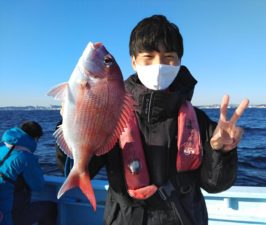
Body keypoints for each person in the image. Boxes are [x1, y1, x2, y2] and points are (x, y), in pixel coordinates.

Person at [56, 15, 249, 225]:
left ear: (179, 61)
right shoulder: (112, 114)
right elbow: (85, 169)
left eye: (169, 57)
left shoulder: (199, 120)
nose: (159, 65)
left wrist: (221, 152)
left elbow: (215, 185)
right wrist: (70, 120)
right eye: (148, 57)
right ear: (133, 61)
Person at [0, 121, 57, 225]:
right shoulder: (26, 157)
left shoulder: (1, 148)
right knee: (50, 208)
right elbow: (38, 186)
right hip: (9, 217)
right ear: (35, 138)